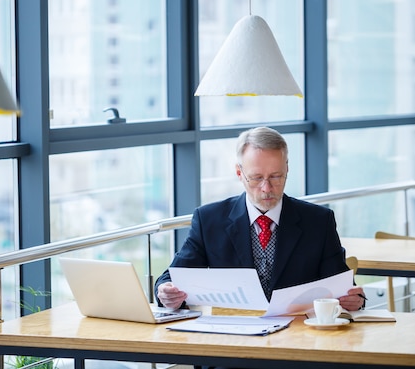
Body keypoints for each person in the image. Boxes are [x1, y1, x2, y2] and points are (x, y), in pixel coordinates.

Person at [155, 126, 365, 313]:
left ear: (287, 170)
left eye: (276, 176)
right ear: (239, 172)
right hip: (231, 338)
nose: (266, 188)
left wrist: (354, 300)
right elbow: (173, 278)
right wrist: (166, 293)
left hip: (299, 336)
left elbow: (342, 287)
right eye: (256, 178)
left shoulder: (319, 221)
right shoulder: (209, 219)